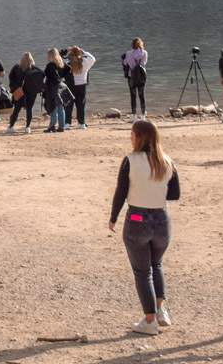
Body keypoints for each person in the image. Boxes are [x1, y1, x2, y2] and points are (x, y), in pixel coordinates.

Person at [110, 118, 181, 335]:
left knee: (142, 272)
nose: (130, 138)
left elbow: (121, 191)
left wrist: (113, 217)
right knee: (156, 264)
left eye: (132, 134)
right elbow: (175, 194)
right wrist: (155, 189)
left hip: (138, 219)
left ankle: (149, 320)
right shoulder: (167, 161)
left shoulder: (130, 160)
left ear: (139, 137)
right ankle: (160, 311)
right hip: (161, 219)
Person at [6, 51, 40, 133]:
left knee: (16, 109)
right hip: (31, 92)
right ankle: (27, 127)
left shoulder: (16, 67)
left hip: (19, 91)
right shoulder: (34, 68)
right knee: (29, 109)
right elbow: (42, 74)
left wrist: (13, 87)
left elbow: (10, 77)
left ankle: (11, 126)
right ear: (31, 60)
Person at [67, 45, 96, 127]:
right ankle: (81, 123)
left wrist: (67, 51)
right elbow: (93, 58)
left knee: (69, 105)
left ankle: (67, 123)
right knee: (81, 105)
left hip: (71, 85)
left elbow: (60, 58)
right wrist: (82, 51)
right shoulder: (85, 62)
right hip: (82, 85)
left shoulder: (68, 63)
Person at [42, 48, 68, 133]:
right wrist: (60, 79)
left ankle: (52, 126)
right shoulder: (61, 64)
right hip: (58, 87)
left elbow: (51, 76)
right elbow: (68, 69)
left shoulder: (50, 65)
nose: (47, 57)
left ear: (51, 56)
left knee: (53, 107)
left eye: (48, 55)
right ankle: (61, 126)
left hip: (51, 88)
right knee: (60, 107)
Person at [123, 38, 149, 116]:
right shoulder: (144, 53)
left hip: (132, 77)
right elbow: (144, 63)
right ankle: (143, 114)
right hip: (141, 77)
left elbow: (125, 63)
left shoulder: (128, 53)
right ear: (141, 44)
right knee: (142, 95)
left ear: (132, 44)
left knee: (133, 96)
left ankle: (133, 115)